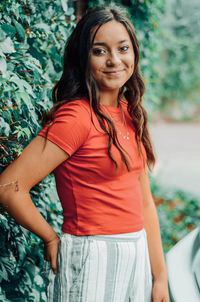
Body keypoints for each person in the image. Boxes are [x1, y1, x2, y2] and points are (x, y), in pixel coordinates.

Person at [0, 6, 169, 302]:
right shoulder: (76, 118)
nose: (114, 60)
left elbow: (144, 204)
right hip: (91, 256)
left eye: (123, 48)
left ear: (134, 53)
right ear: (84, 58)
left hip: (136, 253)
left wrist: (160, 277)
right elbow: (9, 186)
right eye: (99, 51)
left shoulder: (130, 113)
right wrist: (50, 237)